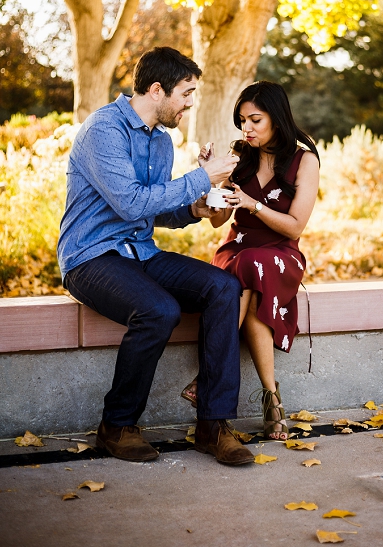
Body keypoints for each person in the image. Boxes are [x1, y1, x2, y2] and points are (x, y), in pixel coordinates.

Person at [57, 46, 255, 466]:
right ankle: (117, 426)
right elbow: (129, 203)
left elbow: (153, 207)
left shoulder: (162, 142)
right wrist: (202, 175)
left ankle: (213, 425)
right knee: (158, 309)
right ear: (156, 89)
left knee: (225, 287)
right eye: (186, 93)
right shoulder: (103, 131)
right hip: (91, 256)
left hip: (140, 252)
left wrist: (194, 209)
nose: (190, 102)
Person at [180, 82, 319, 440]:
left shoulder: (305, 161)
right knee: (249, 282)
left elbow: (295, 226)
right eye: (242, 120)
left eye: (255, 119)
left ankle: (208, 375)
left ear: (277, 117)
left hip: (281, 254)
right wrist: (211, 178)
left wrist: (253, 204)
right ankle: (272, 399)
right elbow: (217, 220)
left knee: (249, 268)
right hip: (237, 249)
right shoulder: (238, 156)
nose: (247, 128)